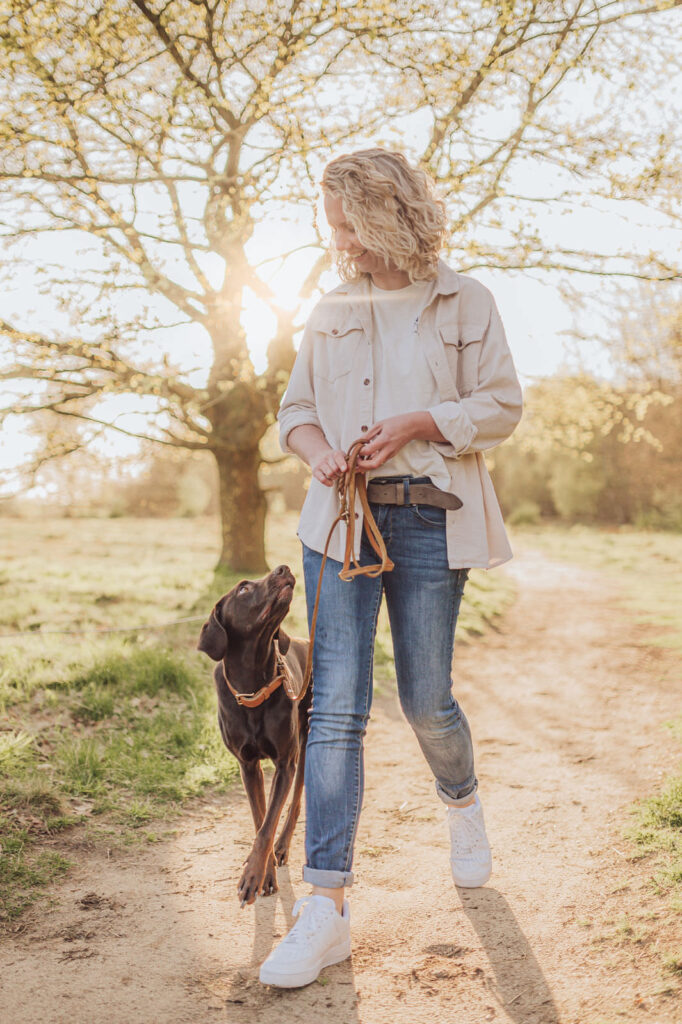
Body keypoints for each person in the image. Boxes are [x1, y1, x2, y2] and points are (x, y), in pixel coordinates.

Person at [260, 148, 522, 989]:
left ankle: (463, 803)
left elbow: (502, 405)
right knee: (335, 706)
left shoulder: (466, 300)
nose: (338, 244)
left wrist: (417, 421)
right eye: (331, 228)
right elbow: (294, 412)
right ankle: (324, 907)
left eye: (349, 227)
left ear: (389, 217)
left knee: (425, 699)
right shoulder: (331, 306)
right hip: (340, 522)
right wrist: (320, 452)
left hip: (432, 522)